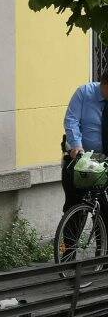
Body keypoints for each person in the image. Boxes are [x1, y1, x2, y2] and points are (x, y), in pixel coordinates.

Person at [62, 70, 108, 213]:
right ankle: (71, 234)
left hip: (105, 160)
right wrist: (76, 145)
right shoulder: (84, 93)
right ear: (105, 83)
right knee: (75, 206)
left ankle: (102, 233)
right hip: (81, 158)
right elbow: (71, 120)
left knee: (104, 211)